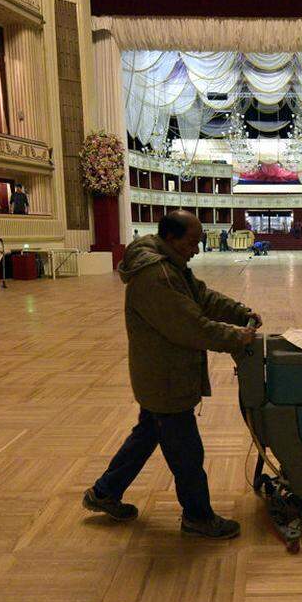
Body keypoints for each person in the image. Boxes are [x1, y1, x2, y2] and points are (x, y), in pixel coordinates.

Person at [83, 210, 259, 539]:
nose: (197, 248)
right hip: (166, 379)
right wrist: (237, 336)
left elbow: (201, 296)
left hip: (162, 374)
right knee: (187, 454)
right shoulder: (157, 277)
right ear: (172, 238)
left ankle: (105, 492)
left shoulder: (170, 265)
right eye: (193, 242)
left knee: (147, 434)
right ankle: (198, 516)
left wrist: (239, 312)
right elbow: (190, 326)